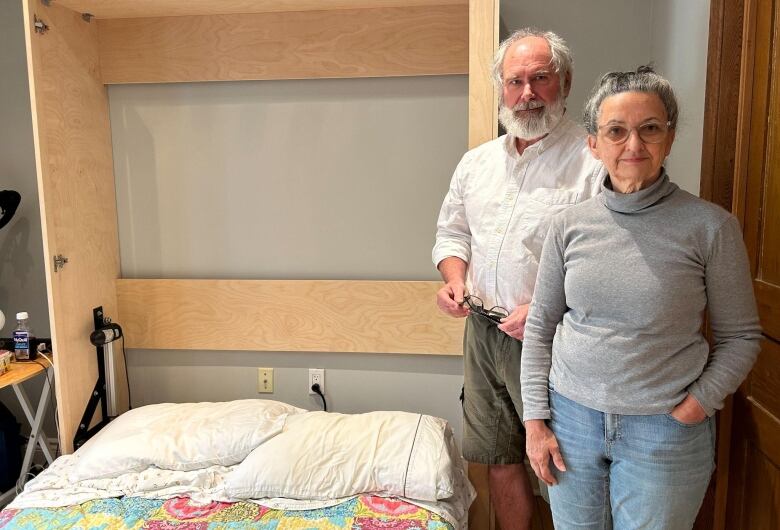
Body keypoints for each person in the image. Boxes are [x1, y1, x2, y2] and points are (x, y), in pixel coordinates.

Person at [521, 66, 763, 530]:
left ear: (669, 139)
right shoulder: (568, 227)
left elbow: (742, 336)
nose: (633, 146)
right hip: (570, 422)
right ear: (593, 144)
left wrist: (697, 404)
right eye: (616, 131)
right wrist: (535, 422)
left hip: (664, 430)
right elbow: (541, 325)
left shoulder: (710, 227)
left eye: (649, 129)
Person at [432, 28, 603, 530]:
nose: (526, 93)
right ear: (500, 89)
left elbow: (602, 260)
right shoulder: (476, 164)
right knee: (499, 457)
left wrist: (549, 309)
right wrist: (453, 279)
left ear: (564, 82)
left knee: (560, 463)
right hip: (483, 333)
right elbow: (451, 234)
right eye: (515, 81)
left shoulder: (593, 162)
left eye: (540, 79)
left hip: (553, 339)